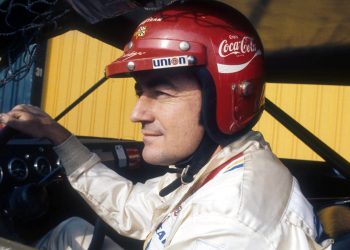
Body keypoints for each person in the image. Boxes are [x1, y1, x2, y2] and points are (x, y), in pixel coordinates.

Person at [0, 0, 333, 249]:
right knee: (71, 232)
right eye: (140, 91)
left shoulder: (225, 228)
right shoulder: (221, 164)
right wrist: (57, 136)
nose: (137, 113)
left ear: (225, 98)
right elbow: (134, 208)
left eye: (160, 92)